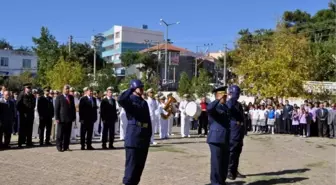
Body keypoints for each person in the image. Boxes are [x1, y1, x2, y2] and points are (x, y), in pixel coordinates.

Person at [118, 79, 152, 185]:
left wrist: (149, 136)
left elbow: (148, 120)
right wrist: (131, 89)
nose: (141, 89)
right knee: (131, 169)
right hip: (133, 138)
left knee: (139, 169)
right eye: (139, 87)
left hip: (143, 138)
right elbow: (120, 100)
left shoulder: (144, 102)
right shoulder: (130, 100)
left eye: (142, 87)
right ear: (133, 88)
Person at [207, 86, 231, 185]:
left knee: (224, 162)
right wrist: (217, 100)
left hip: (225, 137)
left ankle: (222, 181)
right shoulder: (214, 106)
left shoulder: (225, 107)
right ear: (218, 96)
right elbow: (209, 108)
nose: (225, 98)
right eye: (223, 96)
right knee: (216, 163)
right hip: (216, 138)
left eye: (226, 96)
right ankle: (215, 183)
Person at [227, 85, 246, 180]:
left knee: (238, 151)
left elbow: (242, 118)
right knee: (232, 152)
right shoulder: (229, 104)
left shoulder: (238, 104)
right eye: (236, 93)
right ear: (231, 93)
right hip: (233, 132)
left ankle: (234, 170)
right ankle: (229, 170)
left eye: (238, 93)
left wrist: (244, 129)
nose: (237, 95)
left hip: (239, 131)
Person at [54, 85, 76, 152]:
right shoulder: (59, 97)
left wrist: (74, 116)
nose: (67, 90)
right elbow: (56, 108)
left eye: (68, 89)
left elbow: (73, 108)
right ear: (63, 89)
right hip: (61, 118)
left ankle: (66, 146)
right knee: (60, 133)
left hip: (69, 119)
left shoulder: (71, 97)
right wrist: (57, 118)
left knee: (67, 134)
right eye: (66, 89)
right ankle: (59, 146)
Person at [16, 83, 35, 148]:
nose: (29, 89)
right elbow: (18, 105)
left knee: (29, 129)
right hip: (23, 115)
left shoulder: (32, 95)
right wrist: (22, 113)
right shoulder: (21, 94)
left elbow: (33, 104)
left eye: (30, 88)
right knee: (22, 129)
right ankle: (20, 143)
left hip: (30, 115)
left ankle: (29, 142)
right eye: (28, 88)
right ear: (25, 88)